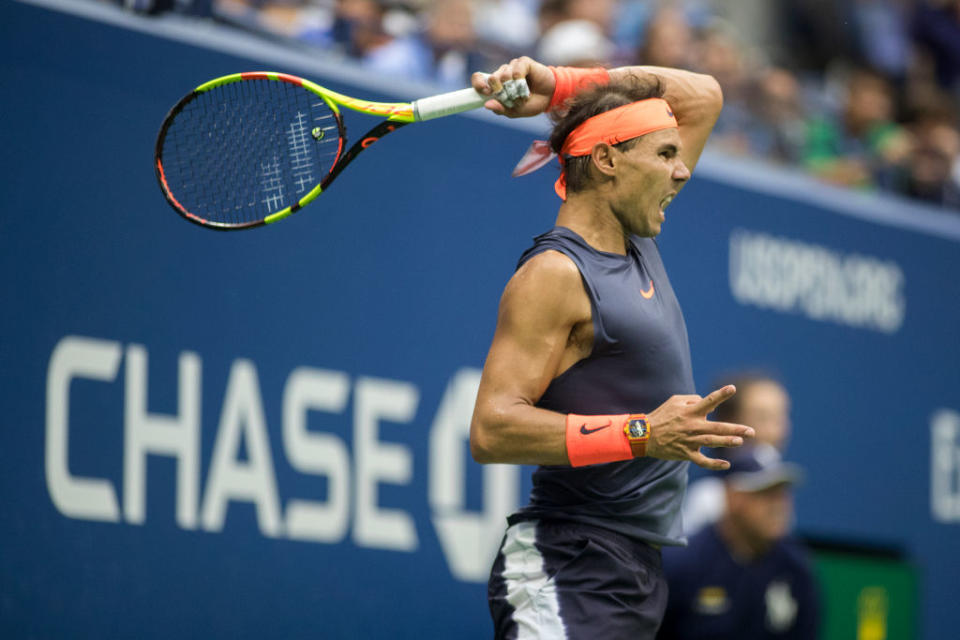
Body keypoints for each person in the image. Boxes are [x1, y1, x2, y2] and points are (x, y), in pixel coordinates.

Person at [468, 57, 756, 638]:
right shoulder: (554, 273)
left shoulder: (637, 240)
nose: (683, 173)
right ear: (606, 160)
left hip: (633, 572)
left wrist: (559, 84)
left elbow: (704, 95)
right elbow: (491, 430)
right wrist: (642, 434)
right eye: (665, 155)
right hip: (566, 560)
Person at [658, 444, 820, 639]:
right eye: (766, 493)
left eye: (782, 492)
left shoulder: (795, 568)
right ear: (731, 496)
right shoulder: (683, 564)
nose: (779, 505)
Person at [683, 373, 791, 534]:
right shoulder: (707, 497)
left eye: (780, 417)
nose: (776, 430)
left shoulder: (782, 494)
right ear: (729, 422)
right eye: (762, 418)